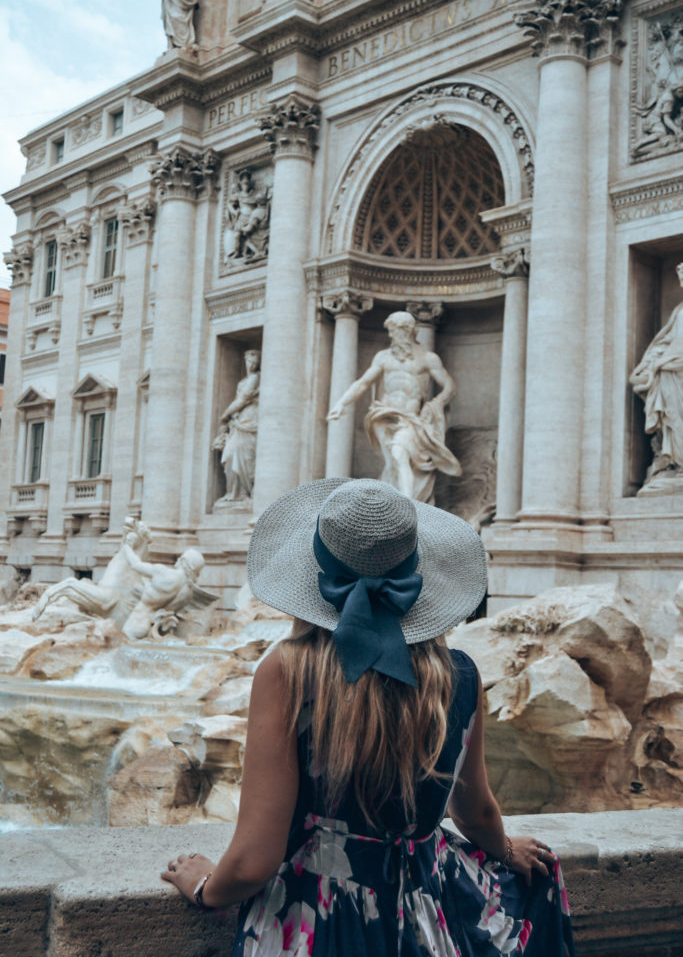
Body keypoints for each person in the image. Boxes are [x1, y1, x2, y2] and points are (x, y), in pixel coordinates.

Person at [162, 478, 575, 955]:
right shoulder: (459, 675)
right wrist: (505, 850)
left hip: (317, 921)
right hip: (425, 916)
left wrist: (204, 886)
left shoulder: (288, 671)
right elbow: (476, 811)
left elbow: (255, 860)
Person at [328, 311, 461, 504]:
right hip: (384, 415)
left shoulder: (427, 358)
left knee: (400, 453)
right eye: (390, 331)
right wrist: (341, 404)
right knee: (392, 463)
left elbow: (449, 386)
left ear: (407, 331)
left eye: (394, 331)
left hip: (409, 418)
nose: (390, 336)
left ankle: (408, 505)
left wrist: (435, 404)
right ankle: (392, 504)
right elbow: (363, 383)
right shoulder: (383, 357)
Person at [630, 262, 683, 488]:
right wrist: (649, 365)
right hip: (669, 374)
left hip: (674, 367)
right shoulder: (680, 311)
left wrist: (663, 362)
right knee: (672, 418)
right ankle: (676, 464)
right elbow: (665, 342)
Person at [213, 349, 261, 501]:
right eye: (248, 361)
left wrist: (225, 415)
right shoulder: (242, 382)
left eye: (254, 361)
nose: (251, 364)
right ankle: (232, 492)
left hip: (251, 419)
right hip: (239, 421)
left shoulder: (256, 378)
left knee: (242, 454)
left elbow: (243, 400)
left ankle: (242, 492)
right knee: (230, 453)